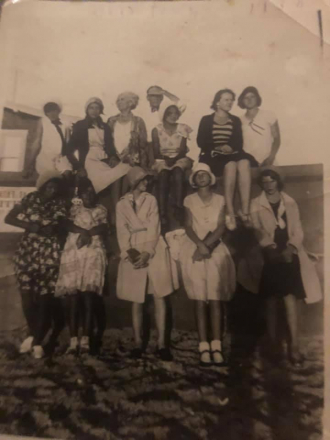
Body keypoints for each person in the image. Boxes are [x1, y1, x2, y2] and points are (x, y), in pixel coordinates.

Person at [250, 168, 322, 366]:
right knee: (271, 299)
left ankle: (295, 346)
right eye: (264, 182)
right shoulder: (256, 204)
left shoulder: (289, 201)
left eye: (272, 181)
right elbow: (257, 230)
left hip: (289, 253)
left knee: (290, 298)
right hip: (269, 254)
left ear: (278, 182)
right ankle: (273, 346)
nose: (268, 185)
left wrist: (291, 248)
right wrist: (270, 248)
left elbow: (297, 229)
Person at [5, 170, 67, 359]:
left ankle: (38, 342)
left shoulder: (60, 203)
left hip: (49, 253)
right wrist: (28, 226)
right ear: (42, 186)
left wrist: (54, 227)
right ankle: (34, 334)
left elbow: (62, 223)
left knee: (44, 299)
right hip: (28, 251)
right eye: (48, 187)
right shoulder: (30, 198)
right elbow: (9, 218)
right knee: (26, 296)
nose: (51, 190)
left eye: (55, 187)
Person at [178, 163, 236, 367]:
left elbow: (221, 226)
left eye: (204, 174)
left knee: (215, 298)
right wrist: (200, 245)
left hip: (215, 248)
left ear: (210, 178)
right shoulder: (189, 200)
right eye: (198, 175)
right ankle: (203, 345)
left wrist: (208, 246)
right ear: (193, 180)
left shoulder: (220, 199)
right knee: (199, 299)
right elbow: (187, 226)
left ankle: (216, 345)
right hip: (194, 247)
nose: (201, 177)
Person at [116, 167, 174, 361]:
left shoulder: (151, 200)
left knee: (159, 295)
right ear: (134, 181)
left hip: (153, 249)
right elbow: (122, 231)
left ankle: (162, 344)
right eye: (143, 180)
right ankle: (138, 342)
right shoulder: (121, 204)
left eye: (147, 181)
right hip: (133, 250)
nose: (146, 183)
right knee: (136, 299)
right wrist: (131, 254)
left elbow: (154, 227)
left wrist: (147, 252)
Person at [55, 178, 108, 355]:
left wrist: (90, 233)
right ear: (80, 194)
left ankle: (85, 338)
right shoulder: (74, 209)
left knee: (88, 296)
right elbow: (64, 223)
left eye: (92, 192)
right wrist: (83, 232)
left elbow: (104, 227)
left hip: (93, 254)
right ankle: (72, 339)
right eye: (86, 192)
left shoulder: (101, 210)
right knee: (72, 297)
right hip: (73, 253)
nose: (89, 195)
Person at [197, 89, 257, 231]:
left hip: (231, 153)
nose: (230, 103)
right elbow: (201, 142)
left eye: (231, 100)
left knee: (244, 162)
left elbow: (238, 142)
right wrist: (219, 147)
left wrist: (230, 147)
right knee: (230, 165)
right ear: (217, 102)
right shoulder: (206, 119)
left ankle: (245, 211)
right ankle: (230, 212)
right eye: (226, 100)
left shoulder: (234, 120)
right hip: (213, 156)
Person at [152, 104, 193, 229]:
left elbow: (182, 150)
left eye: (176, 113)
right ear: (164, 115)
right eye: (170, 113)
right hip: (162, 158)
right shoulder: (156, 129)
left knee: (177, 171)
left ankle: (179, 207)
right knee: (163, 174)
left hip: (179, 158)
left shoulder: (182, 128)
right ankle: (163, 213)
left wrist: (174, 159)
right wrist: (166, 159)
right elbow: (155, 151)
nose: (173, 116)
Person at [107, 92, 148, 210]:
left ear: (130, 103)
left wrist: (136, 141)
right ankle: (116, 214)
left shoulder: (138, 121)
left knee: (127, 177)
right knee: (116, 177)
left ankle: (124, 213)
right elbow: (107, 142)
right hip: (114, 160)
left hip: (131, 161)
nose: (118, 102)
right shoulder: (111, 120)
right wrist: (113, 156)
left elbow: (144, 143)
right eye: (118, 100)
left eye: (122, 99)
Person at [23, 101, 73, 178]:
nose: (52, 113)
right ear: (46, 113)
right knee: (50, 178)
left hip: (61, 158)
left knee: (67, 174)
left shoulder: (65, 124)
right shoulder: (43, 122)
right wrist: (29, 165)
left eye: (54, 110)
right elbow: (37, 142)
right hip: (46, 158)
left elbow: (68, 144)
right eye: (48, 111)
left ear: (58, 111)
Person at [238, 86, 281, 166]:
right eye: (246, 98)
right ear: (242, 101)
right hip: (248, 164)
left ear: (257, 98)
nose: (249, 100)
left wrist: (270, 158)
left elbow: (277, 139)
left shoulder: (269, 115)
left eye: (252, 97)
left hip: (268, 162)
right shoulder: (239, 121)